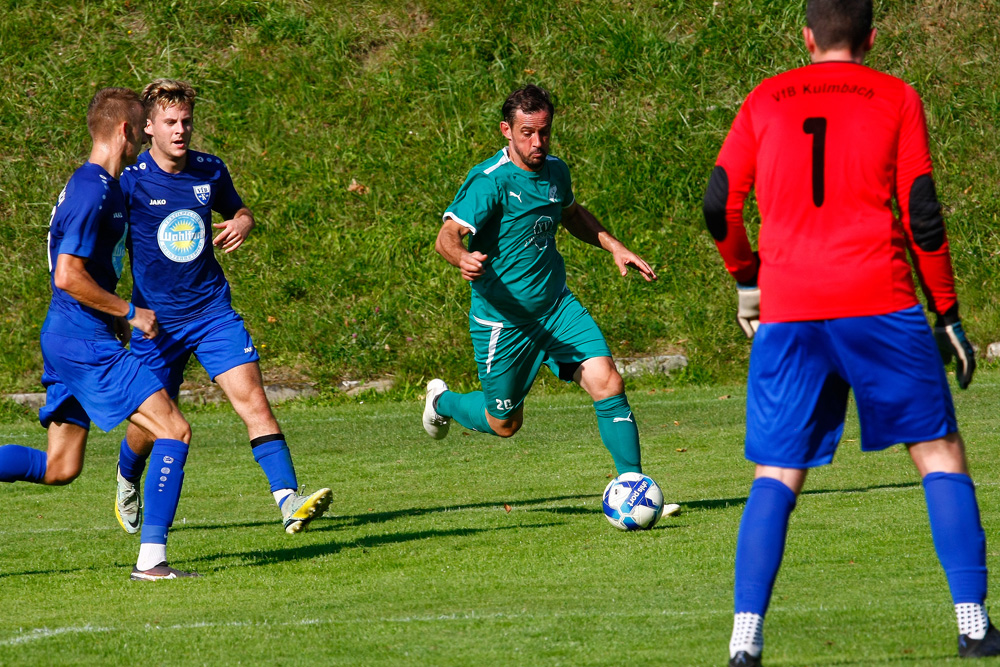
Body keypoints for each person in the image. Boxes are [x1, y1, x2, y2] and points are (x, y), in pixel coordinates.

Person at [703, 1, 999, 664]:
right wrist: (947, 312)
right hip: (878, 300)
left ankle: (744, 638)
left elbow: (718, 199)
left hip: (788, 308)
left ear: (807, 36)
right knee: (939, 452)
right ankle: (973, 623)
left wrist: (747, 279)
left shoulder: (764, 98)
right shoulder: (895, 95)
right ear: (869, 36)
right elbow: (922, 213)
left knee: (775, 472)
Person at [424, 84, 669, 488]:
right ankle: (442, 402)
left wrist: (612, 244)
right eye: (527, 133)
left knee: (608, 382)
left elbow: (571, 214)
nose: (537, 142)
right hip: (504, 321)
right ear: (506, 130)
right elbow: (446, 235)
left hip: (556, 308)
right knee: (504, 423)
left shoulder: (556, 170)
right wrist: (461, 256)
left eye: (544, 132)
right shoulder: (489, 182)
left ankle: (633, 487)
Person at [115, 79, 330, 536]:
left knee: (255, 402)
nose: (180, 130)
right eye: (169, 122)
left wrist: (243, 221)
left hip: (212, 312)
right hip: (156, 324)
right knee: (153, 425)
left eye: (186, 122)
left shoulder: (210, 170)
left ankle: (289, 500)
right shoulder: (129, 182)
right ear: (148, 127)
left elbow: (240, 208)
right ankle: (126, 475)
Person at [0, 87, 197, 581]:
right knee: (174, 430)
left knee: (59, 467)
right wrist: (130, 312)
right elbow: (68, 275)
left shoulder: (92, 185)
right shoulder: (94, 190)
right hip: (83, 341)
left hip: (69, 336)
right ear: (128, 131)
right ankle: (152, 561)